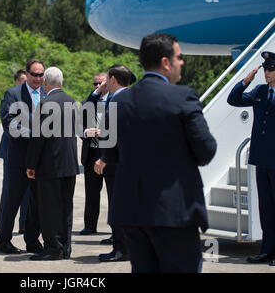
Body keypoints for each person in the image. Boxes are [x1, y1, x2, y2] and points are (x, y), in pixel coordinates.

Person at [97, 33, 217, 273]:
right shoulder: (183, 97)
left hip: (132, 212)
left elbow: (109, 155)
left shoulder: (118, 103)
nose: (182, 62)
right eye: (179, 57)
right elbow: (206, 151)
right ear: (165, 62)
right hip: (174, 213)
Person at [26, 67, 79, 260]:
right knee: (66, 208)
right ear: (61, 82)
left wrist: (31, 164)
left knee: (49, 209)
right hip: (69, 164)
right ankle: (65, 247)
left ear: (46, 83)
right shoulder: (72, 102)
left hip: (50, 165)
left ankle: (53, 249)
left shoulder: (45, 103)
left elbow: (38, 138)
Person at [227, 51, 275, 266]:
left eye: (271, 69)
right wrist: (245, 81)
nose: (267, 73)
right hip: (262, 157)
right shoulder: (259, 91)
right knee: (266, 208)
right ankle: (267, 250)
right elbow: (234, 100)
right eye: (265, 69)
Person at [0, 59, 45, 254]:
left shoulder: (46, 93)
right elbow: (8, 122)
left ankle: (32, 241)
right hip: (18, 159)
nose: (38, 79)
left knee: (36, 203)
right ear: (27, 73)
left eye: (41, 75)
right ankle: (3, 240)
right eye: (34, 74)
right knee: (11, 201)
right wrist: (33, 134)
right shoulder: (13, 93)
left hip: (39, 160)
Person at [93, 65, 135, 262]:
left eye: (108, 79)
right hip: (130, 163)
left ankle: (121, 249)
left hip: (116, 164)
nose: (106, 83)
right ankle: (126, 247)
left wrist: (104, 158)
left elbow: (111, 133)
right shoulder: (134, 97)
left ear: (114, 80)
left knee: (117, 207)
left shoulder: (117, 100)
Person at [0, 69, 30, 234]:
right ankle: (4, 228)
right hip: (12, 150)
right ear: (17, 82)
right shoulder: (12, 96)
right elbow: (8, 123)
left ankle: (24, 224)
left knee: (29, 193)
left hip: (30, 152)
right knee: (10, 191)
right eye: (23, 81)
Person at [79, 73, 109, 236]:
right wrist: (86, 132)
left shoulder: (114, 102)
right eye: (95, 84)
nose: (98, 86)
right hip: (91, 154)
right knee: (91, 193)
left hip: (110, 154)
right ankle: (89, 226)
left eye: (101, 83)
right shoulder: (87, 104)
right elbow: (77, 127)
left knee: (113, 194)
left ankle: (116, 231)